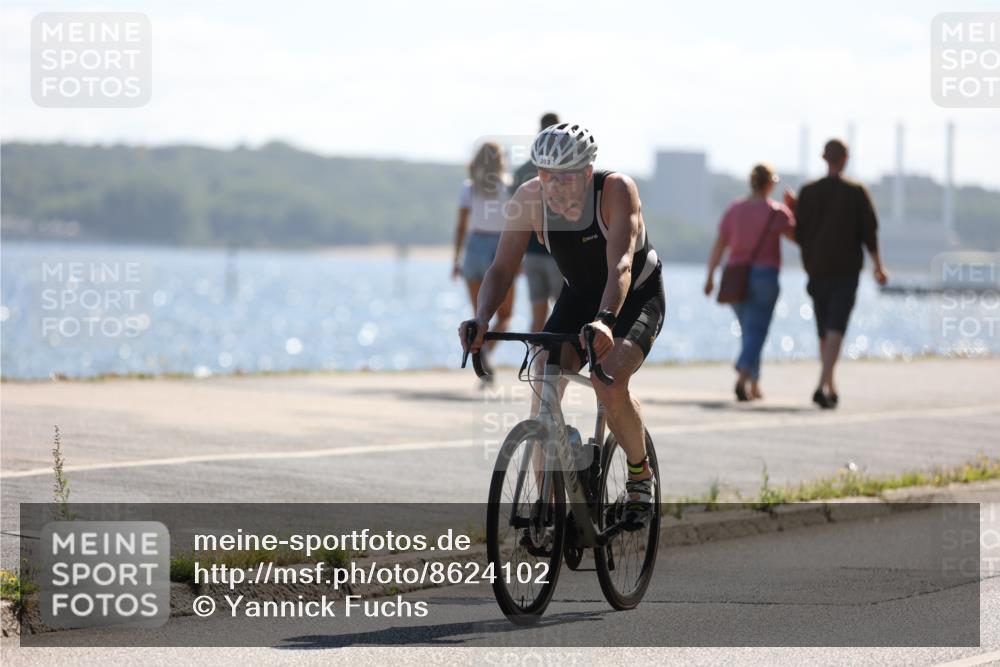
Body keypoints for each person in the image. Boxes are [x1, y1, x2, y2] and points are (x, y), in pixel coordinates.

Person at [459, 123, 665, 517]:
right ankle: (547, 512)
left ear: (587, 173)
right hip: (579, 296)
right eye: (547, 175)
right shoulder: (528, 198)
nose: (554, 186)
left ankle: (640, 475)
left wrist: (605, 320)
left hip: (634, 295)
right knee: (543, 378)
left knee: (607, 379)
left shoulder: (616, 191)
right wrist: (481, 318)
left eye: (566, 177)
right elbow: (501, 268)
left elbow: (621, 265)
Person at [784, 139, 888, 409]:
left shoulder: (808, 192)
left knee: (824, 331)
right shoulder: (856, 192)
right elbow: (870, 233)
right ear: (846, 158)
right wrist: (878, 266)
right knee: (835, 328)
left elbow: (798, 233)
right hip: (845, 271)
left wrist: (794, 208)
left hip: (816, 269)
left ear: (823, 157)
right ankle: (823, 384)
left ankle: (829, 385)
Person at [704, 164, 795, 401]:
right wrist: (793, 208)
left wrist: (710, 276)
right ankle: (743, 375)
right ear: (770, 184)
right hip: (765, 276)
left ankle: (754, 384)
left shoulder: (734, 209)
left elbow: (720, 244)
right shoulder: (778, 211)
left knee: (750, 331)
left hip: (736, 276)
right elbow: (796, 237)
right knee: (757, 330)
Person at [452, 142, 516, 367]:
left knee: (479, 317)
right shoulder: (509, 187)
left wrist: (456, 260)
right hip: (501, 248)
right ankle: (486, 353)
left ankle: (481, 358)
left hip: (474, 248)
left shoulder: (469, 188)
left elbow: (461, 227)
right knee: (505, 316)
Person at [511, 112, 566, 333]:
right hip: (558, 253)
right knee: (564, 314)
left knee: (537, 317)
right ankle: (555, 354)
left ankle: (536, 354)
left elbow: (514, 217)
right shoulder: (567, 170)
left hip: (531, 254)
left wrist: (515, 257)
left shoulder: (523, 171)